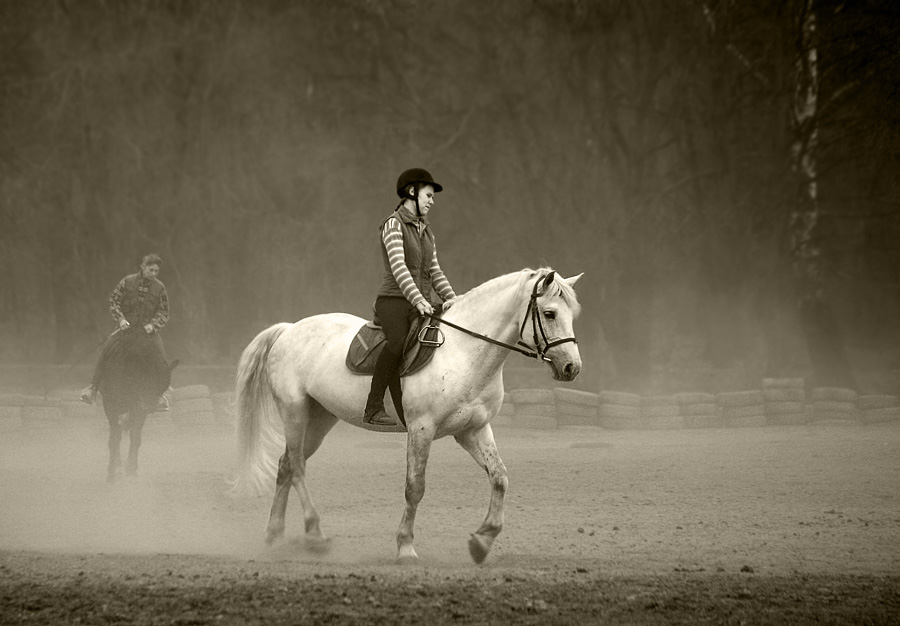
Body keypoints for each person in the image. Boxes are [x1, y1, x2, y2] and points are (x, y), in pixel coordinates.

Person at [364, 168, 458, 426]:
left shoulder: (427, 232)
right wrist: (418, 300)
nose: (432, 201)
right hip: (393, 301)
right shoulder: (393, 224)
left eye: (433, 198)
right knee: (396, 344)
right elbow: (398, 266)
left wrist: (455, 300)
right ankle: (373, 406)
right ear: (412, 192)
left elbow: (434, 271)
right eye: (428, 195)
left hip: (420, 302)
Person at [79, 253, 171, 411]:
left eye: (156, 271)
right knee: (107, 350)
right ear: (143, 267)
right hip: (126, 329)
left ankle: (157, 395)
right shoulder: (127, 282)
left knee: (161, 356)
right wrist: (120, 319)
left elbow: (164, 312)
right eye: (151, 270)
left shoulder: (160, 288)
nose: (154, 274)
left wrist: (153, 325)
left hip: (147, 332)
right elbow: (114, 302)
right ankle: (93, 388)